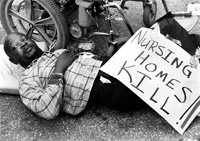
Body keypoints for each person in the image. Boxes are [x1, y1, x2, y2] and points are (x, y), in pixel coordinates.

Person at [3, 15, 200, 120]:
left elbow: (92, 60)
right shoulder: (27, 82)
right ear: (13, 60)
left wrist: (112, 50)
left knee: (163, 28)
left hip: (112, 65)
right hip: (106, 86)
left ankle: (192, 55)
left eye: (23, 38)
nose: (23, 43)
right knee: (162, 75)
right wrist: (58, 70)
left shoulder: (56, 52)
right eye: (15, 46)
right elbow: (46, 110)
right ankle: (191, 72)